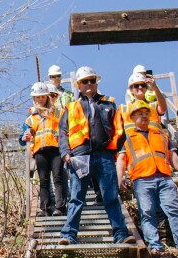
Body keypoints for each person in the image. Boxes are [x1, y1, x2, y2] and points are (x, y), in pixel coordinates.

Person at [57, 66, 134, 246]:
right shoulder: (71, 107)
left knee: (111, 196)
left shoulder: (109, 103)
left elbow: (119, 129)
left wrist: (115, 150)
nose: (89, 84)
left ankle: (120, 234)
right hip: (79, 156)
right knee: (76, 197)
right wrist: (65, 154)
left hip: (104, 155)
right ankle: (69, 235)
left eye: (92, 80)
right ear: (78, 85)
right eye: (85, 81)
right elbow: (62, 133)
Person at [116, 100, 178, 258]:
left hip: (164, 177)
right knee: (147, 213)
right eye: (140, 114)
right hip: (141, 179)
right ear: (132, 117)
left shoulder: (161, 134)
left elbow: (172, 154)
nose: (144, 116)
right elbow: (121, 159)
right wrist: (120, 178)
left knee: (173, 210)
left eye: (146, 113)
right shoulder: (127, 138)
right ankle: (155, 247)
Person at [20, 82, 65, 216]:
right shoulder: (30, 119)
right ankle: (45, 208)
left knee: (58, 177)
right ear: (34, 99)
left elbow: (65, 129)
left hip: (56, 149)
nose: (40, 99)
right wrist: (24, 137)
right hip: (40, 151)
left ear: (47, 97)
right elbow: (22, 137)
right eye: (37, 97)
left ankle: (60, 207)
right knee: (43, 179)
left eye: (42, 97)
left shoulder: (58, 112)